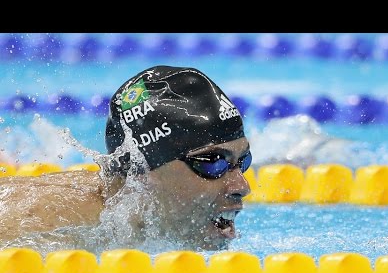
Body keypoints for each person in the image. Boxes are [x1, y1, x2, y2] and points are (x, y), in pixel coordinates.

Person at [0, 65, 252, 252]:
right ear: (141, 172)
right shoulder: (43, 230)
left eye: (243, 162)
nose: (242, 187)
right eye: (213, 162)